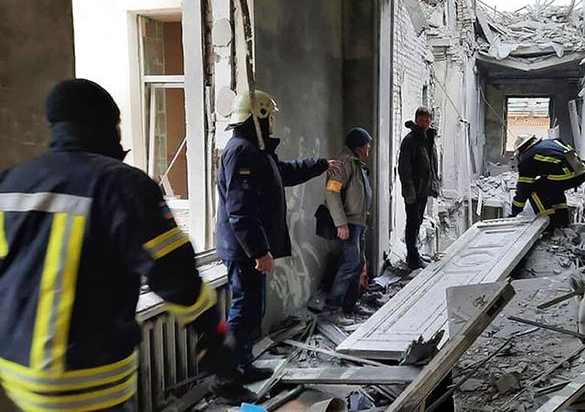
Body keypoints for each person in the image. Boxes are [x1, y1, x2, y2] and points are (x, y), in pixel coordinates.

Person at [0, 79, 241, 411]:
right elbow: (173, 273)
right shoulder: (121, 184)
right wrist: (213, 336)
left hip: (15, 371)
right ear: (107, 124)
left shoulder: (12, 182)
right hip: (87, 377)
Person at [216, 90, 339, 392]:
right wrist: (259, 251)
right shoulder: (242, 152)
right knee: (244, 312)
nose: (273, 122)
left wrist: (319, 164)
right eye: (270, 116)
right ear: (258, 116)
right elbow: (240, 210)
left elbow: (282, 172)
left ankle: (242, 366)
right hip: (244, 250)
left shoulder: (257, 152)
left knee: (252, 311)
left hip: (249, 249)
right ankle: (226, 379)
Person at [323, 128, 374, 325]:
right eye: (367, 144)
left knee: (357, 263)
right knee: (349, 264)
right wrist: (341, 223)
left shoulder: (356, 162)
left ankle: (350, 306)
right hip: (349, 223)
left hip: (358, 222)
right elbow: (332, 192)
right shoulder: (343, 162)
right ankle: (332, 309)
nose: (369, 147)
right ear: (359, 146)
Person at [509, 134, 585, 227]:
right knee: (552, 188)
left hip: (565, 175)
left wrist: (515, 211)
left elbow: (524, 188)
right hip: (580, 173)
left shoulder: (528, 158)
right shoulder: (553, 141)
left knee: (534, 190)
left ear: (521, 149)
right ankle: (563, 222)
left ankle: (549, 225)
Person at [398, 107, 440, 270]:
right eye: (421, 120)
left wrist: (433, 185)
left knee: (418, 221)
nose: (424, 124)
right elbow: (404, 168)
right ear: (416, 120)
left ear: (430, 121)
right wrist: (409, 192)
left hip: (423, 189)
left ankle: (415, 254)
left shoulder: (428, 139)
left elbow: (431, 165)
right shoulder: (410, 140)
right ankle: (413, 259)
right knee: (412, 222)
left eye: (427, 120)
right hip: (413, 191)